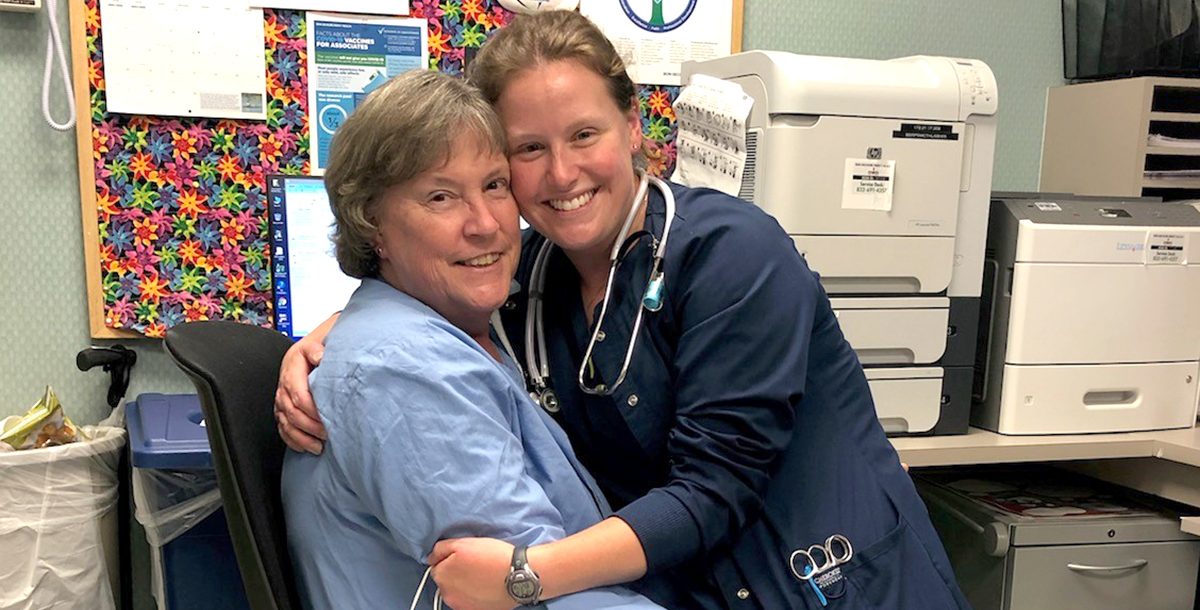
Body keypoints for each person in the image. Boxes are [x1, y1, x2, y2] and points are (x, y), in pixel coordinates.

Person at [276, 10, 969, 610]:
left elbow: (714, 491)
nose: (562, 173)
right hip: (685, 589)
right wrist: (327, 336)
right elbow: (416, 306)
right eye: (527, 151)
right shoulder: (529, 284)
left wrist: (526, 575)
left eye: (584, 135)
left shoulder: (732, 252)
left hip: (824, 581)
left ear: (633, 126)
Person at [278, 68, 662, 610]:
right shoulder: (407, 370)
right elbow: (540, 599)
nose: (485, 224)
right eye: (440, 197)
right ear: (372, 227)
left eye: (495, 185)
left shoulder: (448, 331)